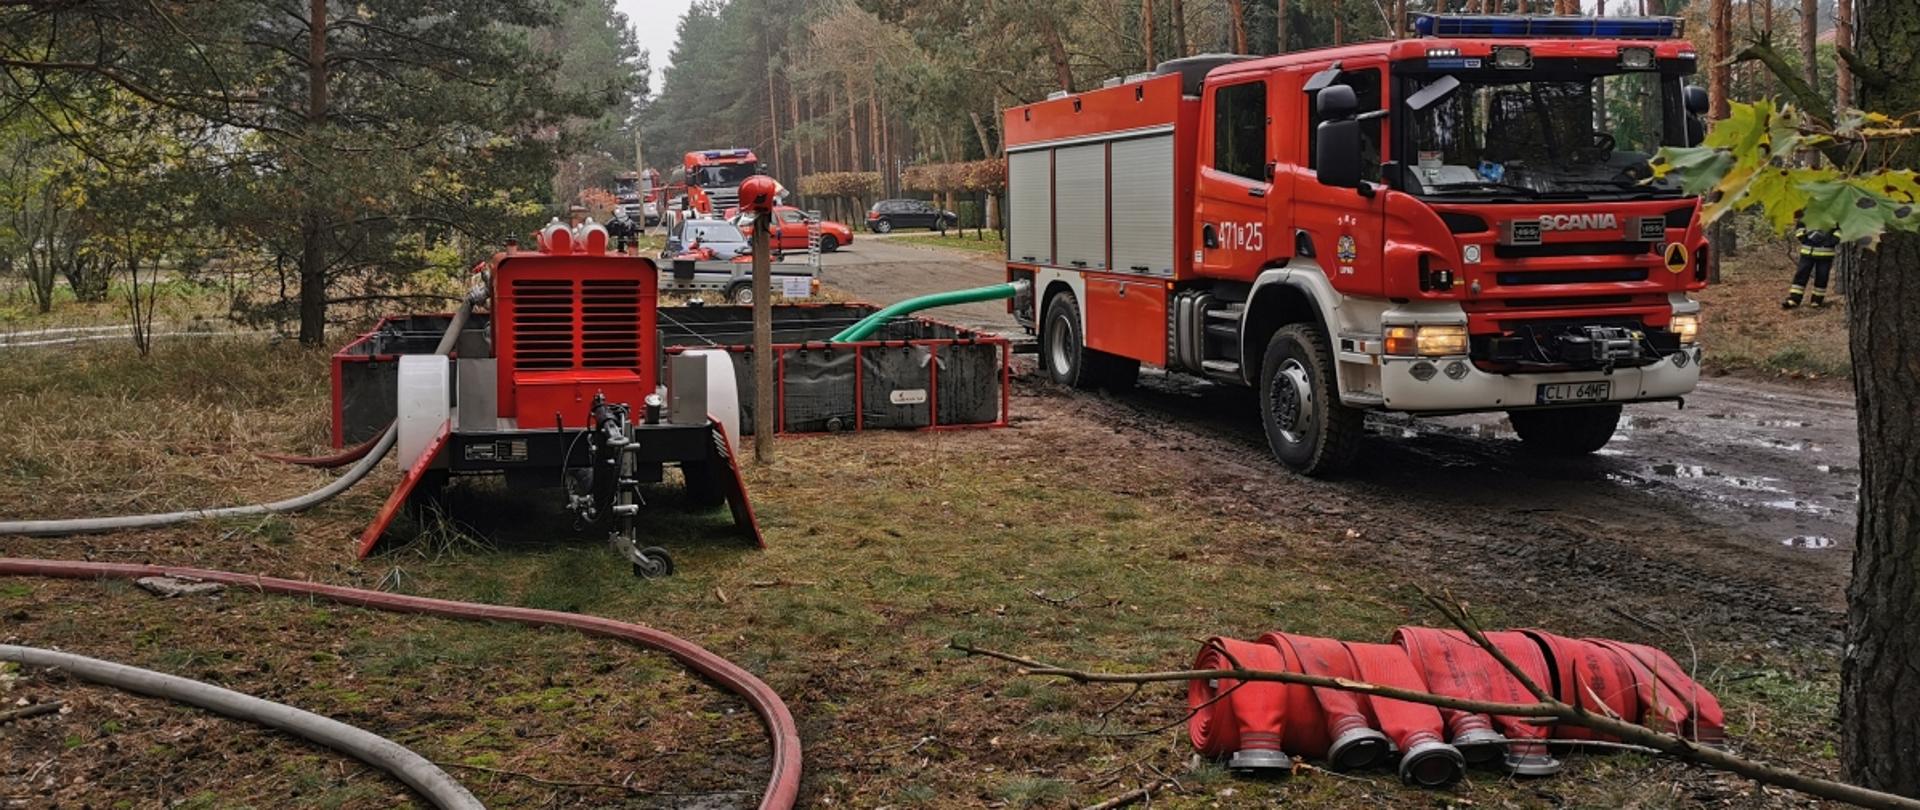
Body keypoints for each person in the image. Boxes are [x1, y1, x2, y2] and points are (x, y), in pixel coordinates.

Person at [1785, 220, 1838, 309]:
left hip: (1826, 254)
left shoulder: (1834, 213)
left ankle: (1817, 301)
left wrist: (1831, 241)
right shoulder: (1808, 211)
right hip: (1807, 252)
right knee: (1801, 275)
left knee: (1822, 277)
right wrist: (1804, 239)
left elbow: (1840, 230)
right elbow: (1799, 227)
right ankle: (1794, 299)